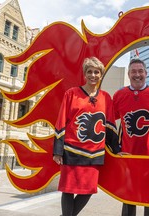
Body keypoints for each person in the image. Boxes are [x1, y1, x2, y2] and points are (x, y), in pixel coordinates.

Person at [53, 56, 120, 216]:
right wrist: (58, 150)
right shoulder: (71, 94)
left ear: (101, 74)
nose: (93, 75)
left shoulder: (106, 97)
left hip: (94, 153)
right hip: (71, 151)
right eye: (89, 71)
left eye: (97, 72)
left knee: (88, 190)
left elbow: (110, 125)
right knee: (68, 190)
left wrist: (116, 149)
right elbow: (61, 121)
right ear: (84, 74)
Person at [113, 58, 149, 216]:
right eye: (133, 71)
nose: (137, 74)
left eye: (140, 71)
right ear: (128, 74)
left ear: (146, 73)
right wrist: (115, 148)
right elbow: (109, 122)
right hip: (128, 155)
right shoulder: (120, 94)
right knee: (128, 197)